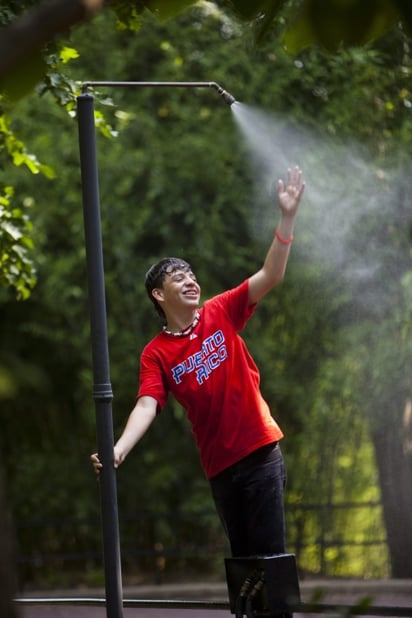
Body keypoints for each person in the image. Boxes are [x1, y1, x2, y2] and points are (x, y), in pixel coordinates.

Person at [91, 166, 305, 558]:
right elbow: (147, 404)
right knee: (245, 568)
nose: (190, 280)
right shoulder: (155, 353)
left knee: (271, 563)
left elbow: (271, 274)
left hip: (260, 453)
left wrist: (287, 217)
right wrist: (118, 449)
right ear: (159, 294)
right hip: (221, 468)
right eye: (178, 277)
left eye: (191, 274)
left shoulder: (220, 310)